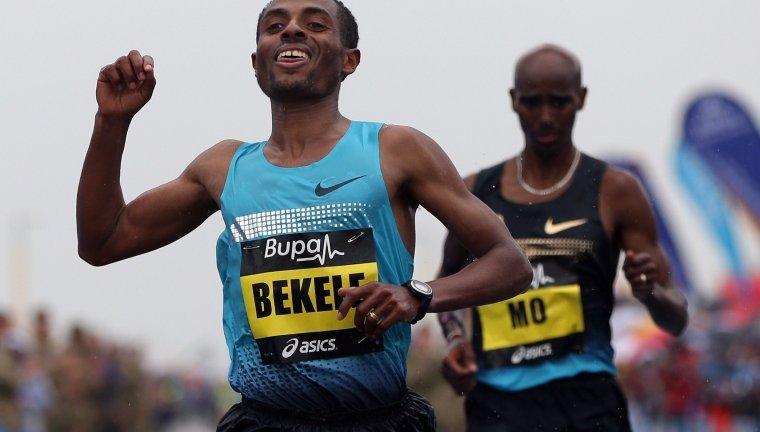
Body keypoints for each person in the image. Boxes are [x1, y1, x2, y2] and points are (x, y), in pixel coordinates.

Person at [76, 0, 533, 430]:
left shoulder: (395, 151)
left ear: (349, 60)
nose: (291, 29)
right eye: (274, 26)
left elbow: (509, 263)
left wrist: (418, 295)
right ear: (256, 63)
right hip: (264, 420)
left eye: (315, 24)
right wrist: (112, 122)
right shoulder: (223, 168)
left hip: (378, 419)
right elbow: (103, 242)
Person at [438, 44, 689, 432]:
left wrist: (650, 291)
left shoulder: (615, 191)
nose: (545, 117)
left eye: (560, 103)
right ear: (513, 101)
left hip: (588, 404)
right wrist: (455, 339)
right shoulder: (475, 192)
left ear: (581, 99)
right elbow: (445, 289)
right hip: (498, 408)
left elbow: (676, 317)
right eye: (531, 103)